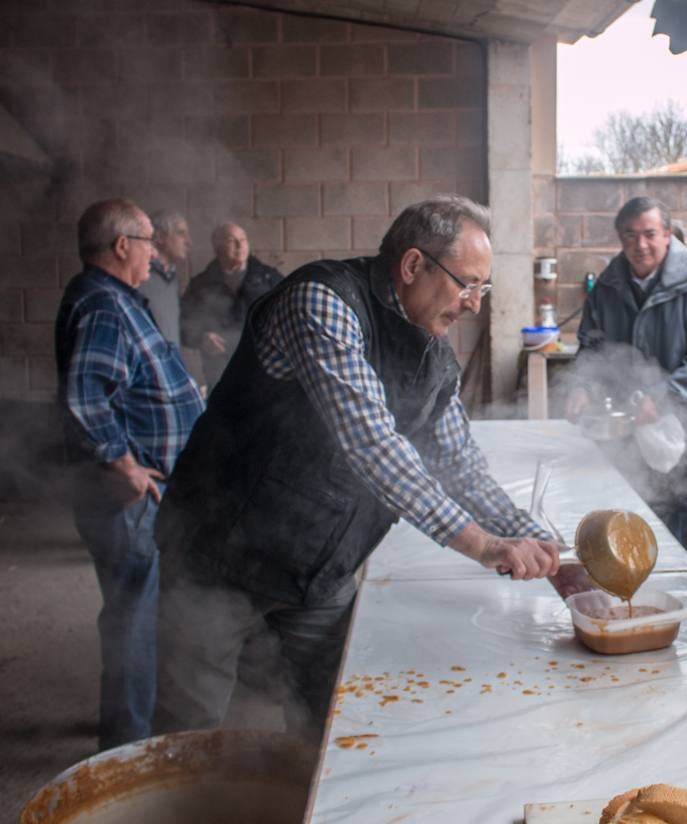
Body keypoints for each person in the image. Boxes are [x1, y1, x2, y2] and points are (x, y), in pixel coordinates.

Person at [153, 196, 564, 741]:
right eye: (467, 283)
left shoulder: (433, 355)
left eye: (482, 289)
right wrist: (485, 545)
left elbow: (458, 462)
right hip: (217, 554)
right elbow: (373, 444)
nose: (474, 305)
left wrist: (527, 532)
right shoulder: (321, 303)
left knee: (323, 729)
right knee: (189, 732)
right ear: (413, 265)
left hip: (319, 571)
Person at [54, 198, 205, 750]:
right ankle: (127, 746)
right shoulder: (103, 306)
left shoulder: (117, 299)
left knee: (140, 617)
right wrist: (123, 464)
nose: (156, 250)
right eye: (148, 241)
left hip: (142, 495)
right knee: (132, 625)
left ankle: (136, 729)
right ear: (123, 246)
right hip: (126, 499)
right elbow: (86, 396)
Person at [564, 196, 687, 562]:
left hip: (685, 433)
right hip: (625, 435)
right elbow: (592, 347)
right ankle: (636, 602)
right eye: (630, 236)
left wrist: (662, 398)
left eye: (649, 234)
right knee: (628, 519)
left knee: (683, 529)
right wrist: (583, 386)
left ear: (668, 234)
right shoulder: (608, 285)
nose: (640, 245)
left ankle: (682, 610)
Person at [180, 221, 283, 388]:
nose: (240, 245)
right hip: (219, 375)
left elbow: (286, 321)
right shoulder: (200, 285)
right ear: (217, 247)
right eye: (231, 240)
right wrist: (201, 338)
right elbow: (183, 327)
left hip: (262, 375)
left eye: (243, 239)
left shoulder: (269, 279)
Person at [138, 209, 190, 347]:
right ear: (159, 237)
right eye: (181, 233)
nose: (188, 241)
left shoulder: (172, 280)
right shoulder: (139, 278)